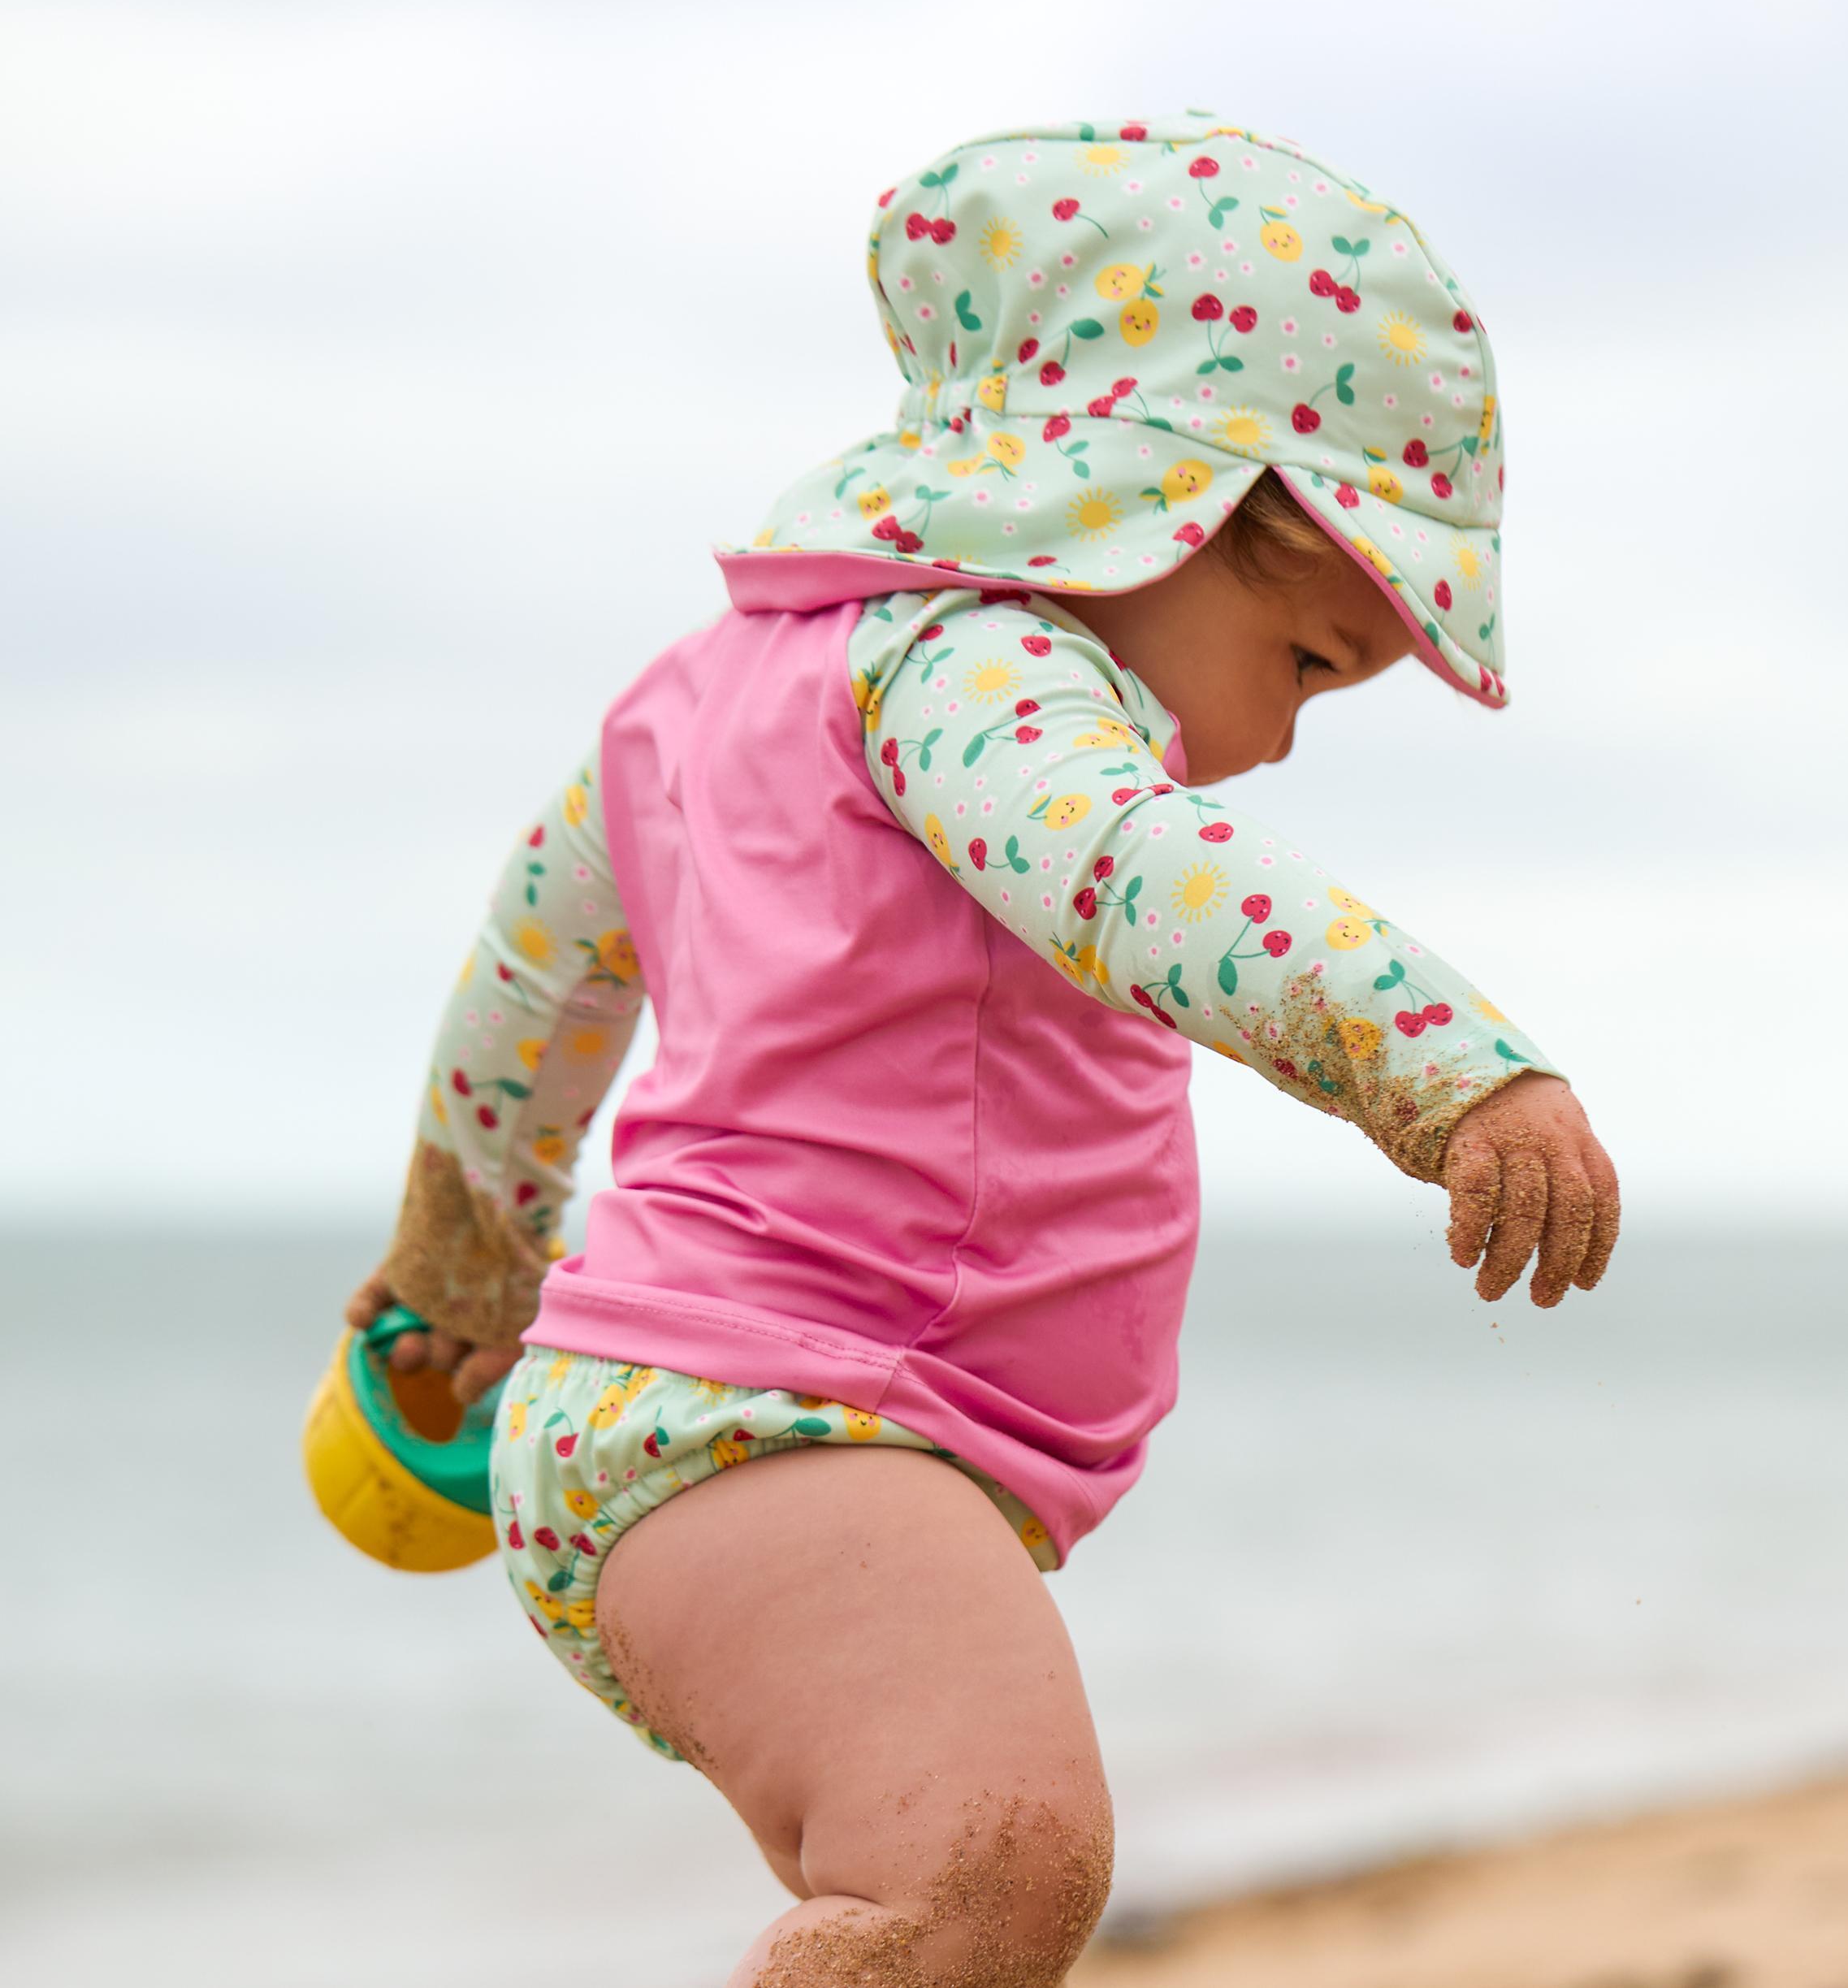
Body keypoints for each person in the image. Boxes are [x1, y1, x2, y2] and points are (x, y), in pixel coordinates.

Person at [342, 110, 1621, 1985]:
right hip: (773, 1410)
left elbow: (530, 987)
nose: (1275, 742)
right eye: (1306, 659)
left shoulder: (697, 690)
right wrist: (1445, 1063)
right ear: (1143, 511)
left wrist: (463, 1257)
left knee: (933, 1911)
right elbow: (1126, 872)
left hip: (695, 1414)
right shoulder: (969, 676)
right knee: (989, 1869)